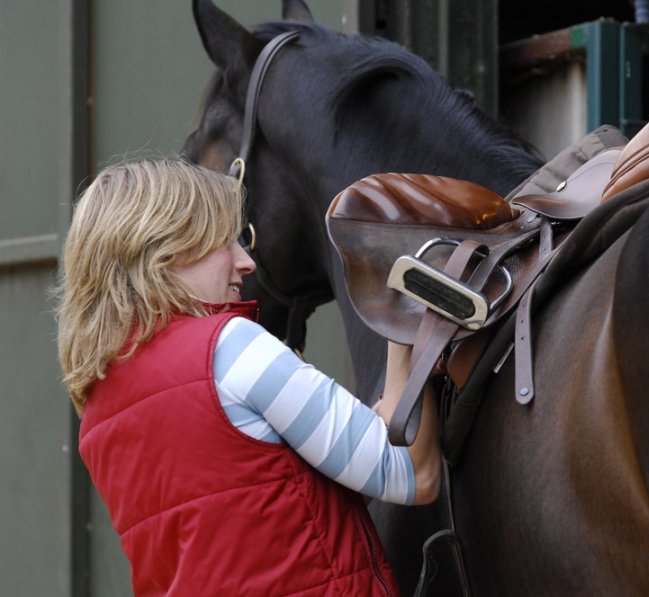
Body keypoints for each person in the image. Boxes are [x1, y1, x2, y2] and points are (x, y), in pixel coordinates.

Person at [56, 157, 441, 596]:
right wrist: (406, 318)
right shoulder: (229, 349)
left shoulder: (98, 412)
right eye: (224, 241)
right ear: (164, 248)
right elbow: (414, 475)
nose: (246, 262)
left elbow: (265, 505)